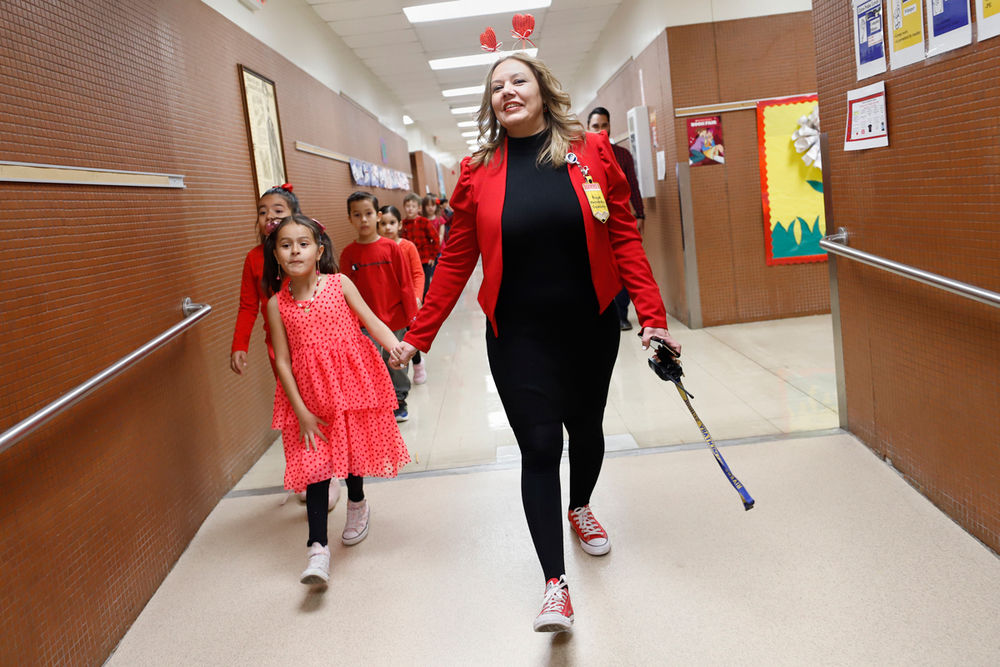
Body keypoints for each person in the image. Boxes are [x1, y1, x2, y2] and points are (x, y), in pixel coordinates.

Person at [391, 53, 681, 633]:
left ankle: (581, 508)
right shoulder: (477, 170)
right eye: (496, 86)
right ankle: (555, 586)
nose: (507, 91)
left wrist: (652, 317)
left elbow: (623, 237)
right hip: (517, 334)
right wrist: (417, 336)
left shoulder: (590, 154)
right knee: (540, 445)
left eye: (518, 80)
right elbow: (455, 260)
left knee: (587, 431)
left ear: (543, 90)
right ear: (490, 103)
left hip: (590, 325)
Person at [263, 214, 410, 585]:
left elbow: (371, 321)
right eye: (285, 245)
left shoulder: (339, 284)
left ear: (319, 250)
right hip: (309, 399)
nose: (295, 250)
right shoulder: (276, 305)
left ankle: (357, 503)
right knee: (315, 469)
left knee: (352, 453)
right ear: (276, 255)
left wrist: (396, 346)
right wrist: (301, 411)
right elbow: (282, 361)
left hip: (350, 385)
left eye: (303, 243)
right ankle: (317, 549)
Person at [229, 183, 340, 510]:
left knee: (325, 406)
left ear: (295, 216)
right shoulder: (254, 259)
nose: (268, 218)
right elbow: (248, 306)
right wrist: (240, 345)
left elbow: (331, 290)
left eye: (277, 212)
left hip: (319, 344)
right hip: (281, 350)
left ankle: (331, 473)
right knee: (297, 411)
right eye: (262, 212)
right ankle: (311, 471)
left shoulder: (304, 252)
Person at [340, 193, 419, 422]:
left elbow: (405, 284)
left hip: (395, 319)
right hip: (365, 325)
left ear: (378, 216)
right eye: (357, 215)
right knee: (372, 367)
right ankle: (381, 404)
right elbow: (345, 295)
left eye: (368, 213)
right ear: (350, 219)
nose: (363, 219)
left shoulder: (392, 248)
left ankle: (400, 400)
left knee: (397, 363)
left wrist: (412, 320)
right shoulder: (348, 254)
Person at [587, 107, 646, 331]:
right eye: (595, 126)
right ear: (588, 127)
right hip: (594, 224)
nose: (600, 130)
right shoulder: (582, 157)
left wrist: (640, 214)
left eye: (604, 125)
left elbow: (633, 187)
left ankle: (621, 314)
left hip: (619, 222)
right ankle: (604, 311)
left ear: (609, 126)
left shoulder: (622, 155)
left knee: (623, 265)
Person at [379, 205, 427, 384]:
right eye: (383, 223)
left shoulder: (408, 247)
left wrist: (417, 297)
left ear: (399, 225)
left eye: (392, 223)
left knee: (410, 335)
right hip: (388, 304)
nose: (388, 227)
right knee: (393, 339)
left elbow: (417, 273)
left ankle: (417, 364)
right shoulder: (378, 248)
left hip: (408, 302)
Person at [400, 193, 440, 301]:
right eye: (407, 206)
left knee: (425, 284)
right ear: (404, 207)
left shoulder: (424, 221)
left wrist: (432, 256)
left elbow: (435, 238)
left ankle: (424, 306)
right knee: (412, 284)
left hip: (424, 258)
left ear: (419, 208)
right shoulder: (402, 224)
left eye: (413, 206)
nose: (410, 209)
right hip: (409, 260)